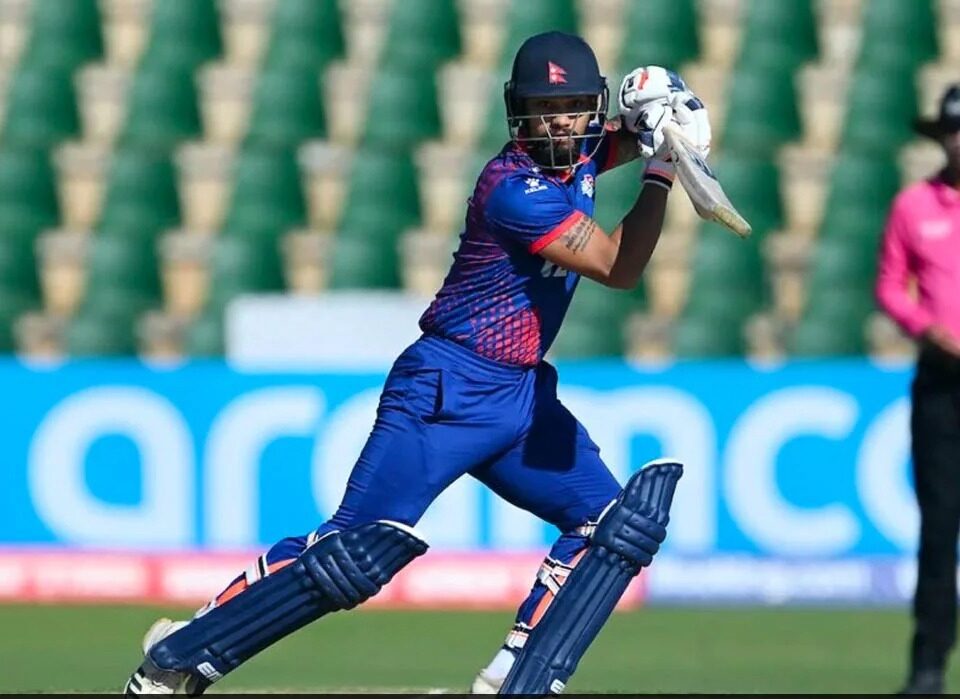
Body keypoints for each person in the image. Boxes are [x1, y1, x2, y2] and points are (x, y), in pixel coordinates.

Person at [123, 32, 710, 696]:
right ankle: (182, 652)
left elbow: (625, 138)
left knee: (614, 527)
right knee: (351, 555)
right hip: (447, 388)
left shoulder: (579, 153)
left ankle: (516, 674)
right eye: (542, 110)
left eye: (571, 109)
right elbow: (617, 266)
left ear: (591, 109)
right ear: (517, 113)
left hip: (520, 393)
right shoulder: (513, 188)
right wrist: (663, 171)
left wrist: (664, 118)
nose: (556, 123)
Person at [876, 83, 960, 696]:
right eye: (953, 132)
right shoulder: (915, 205)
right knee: (939, 528)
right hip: (942, 385)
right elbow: (889, 285)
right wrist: (927, 328)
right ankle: (927, 667)